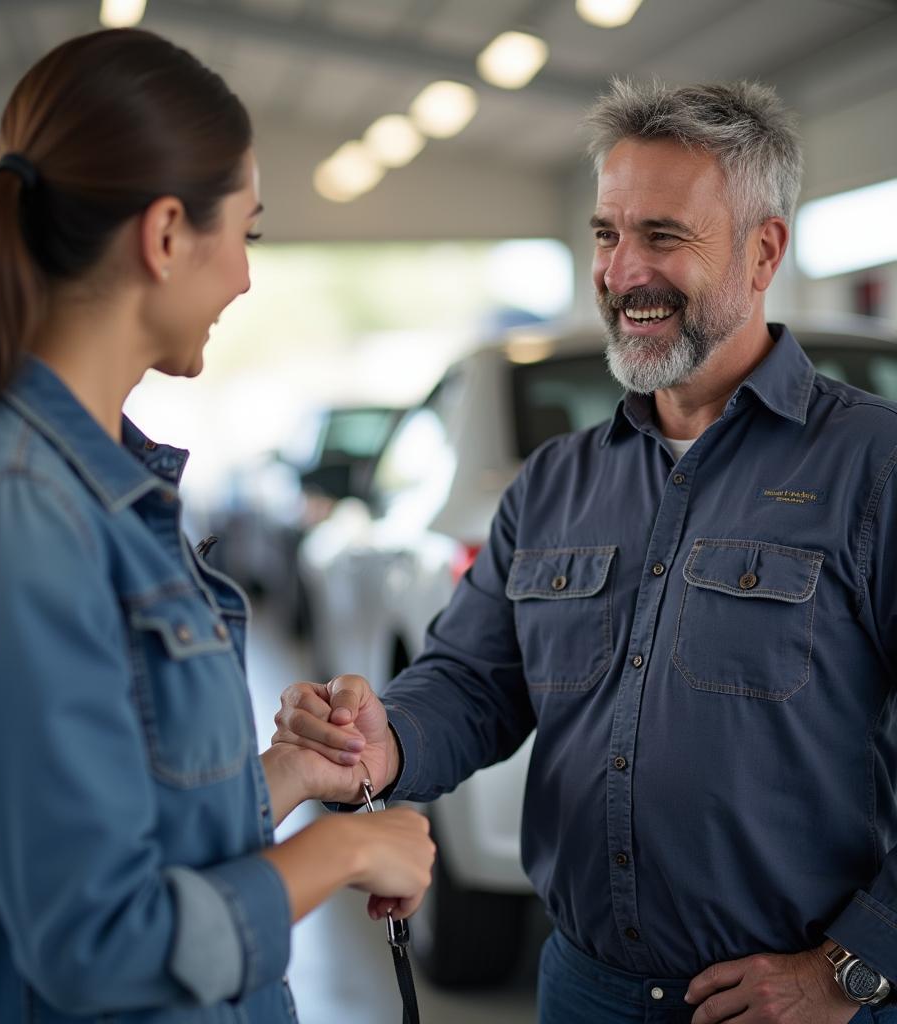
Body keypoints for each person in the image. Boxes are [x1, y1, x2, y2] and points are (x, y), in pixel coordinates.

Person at [274, 79, 897, 1024]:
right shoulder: (554, 483)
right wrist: (380, 738)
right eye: (607, 234)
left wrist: (851, 967)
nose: (622, 273)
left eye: (663, 236)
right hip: (584, 990)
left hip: (794, 1003)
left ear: (765, 249)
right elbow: (475, 682)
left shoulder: (874, 468)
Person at [0, 28, 435, 1024]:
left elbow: (132, 831)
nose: (247, 279)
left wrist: (293, 773)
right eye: (247, 235)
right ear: (167, 233)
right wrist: (341, 849)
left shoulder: (107, 491)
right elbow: (97, 939)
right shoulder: (15, 519)